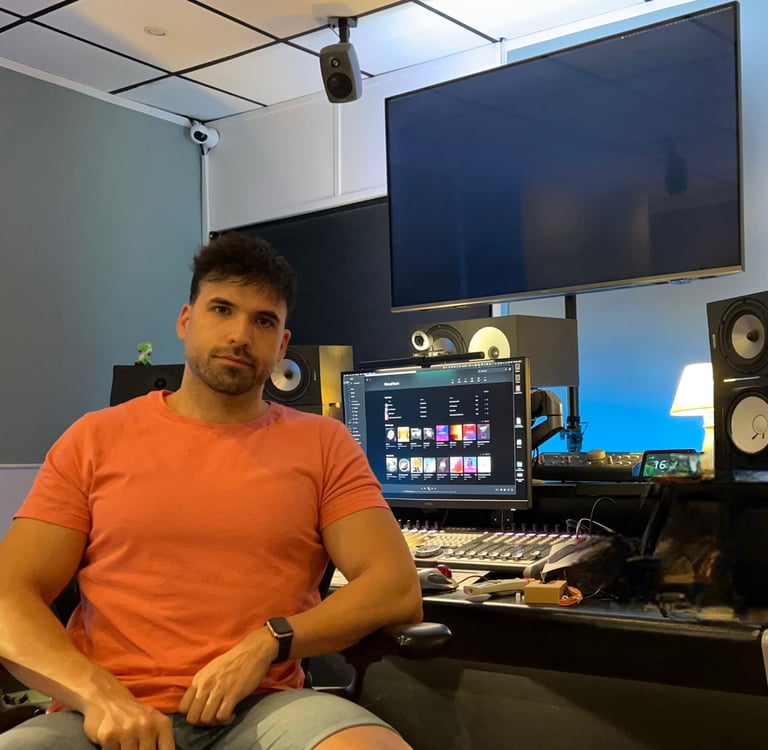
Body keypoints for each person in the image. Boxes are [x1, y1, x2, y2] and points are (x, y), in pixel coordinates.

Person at [0, 233, 423, 750]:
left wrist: (270, 641)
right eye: (222, 309)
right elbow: (8, 596)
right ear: (186, 320)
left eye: (263, 321)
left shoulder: (324, 444)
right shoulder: (93, 438)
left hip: (265, 707)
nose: (240, 335)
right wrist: (100, 696)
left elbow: (395, 588)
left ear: (282, 345)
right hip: (106, 717)